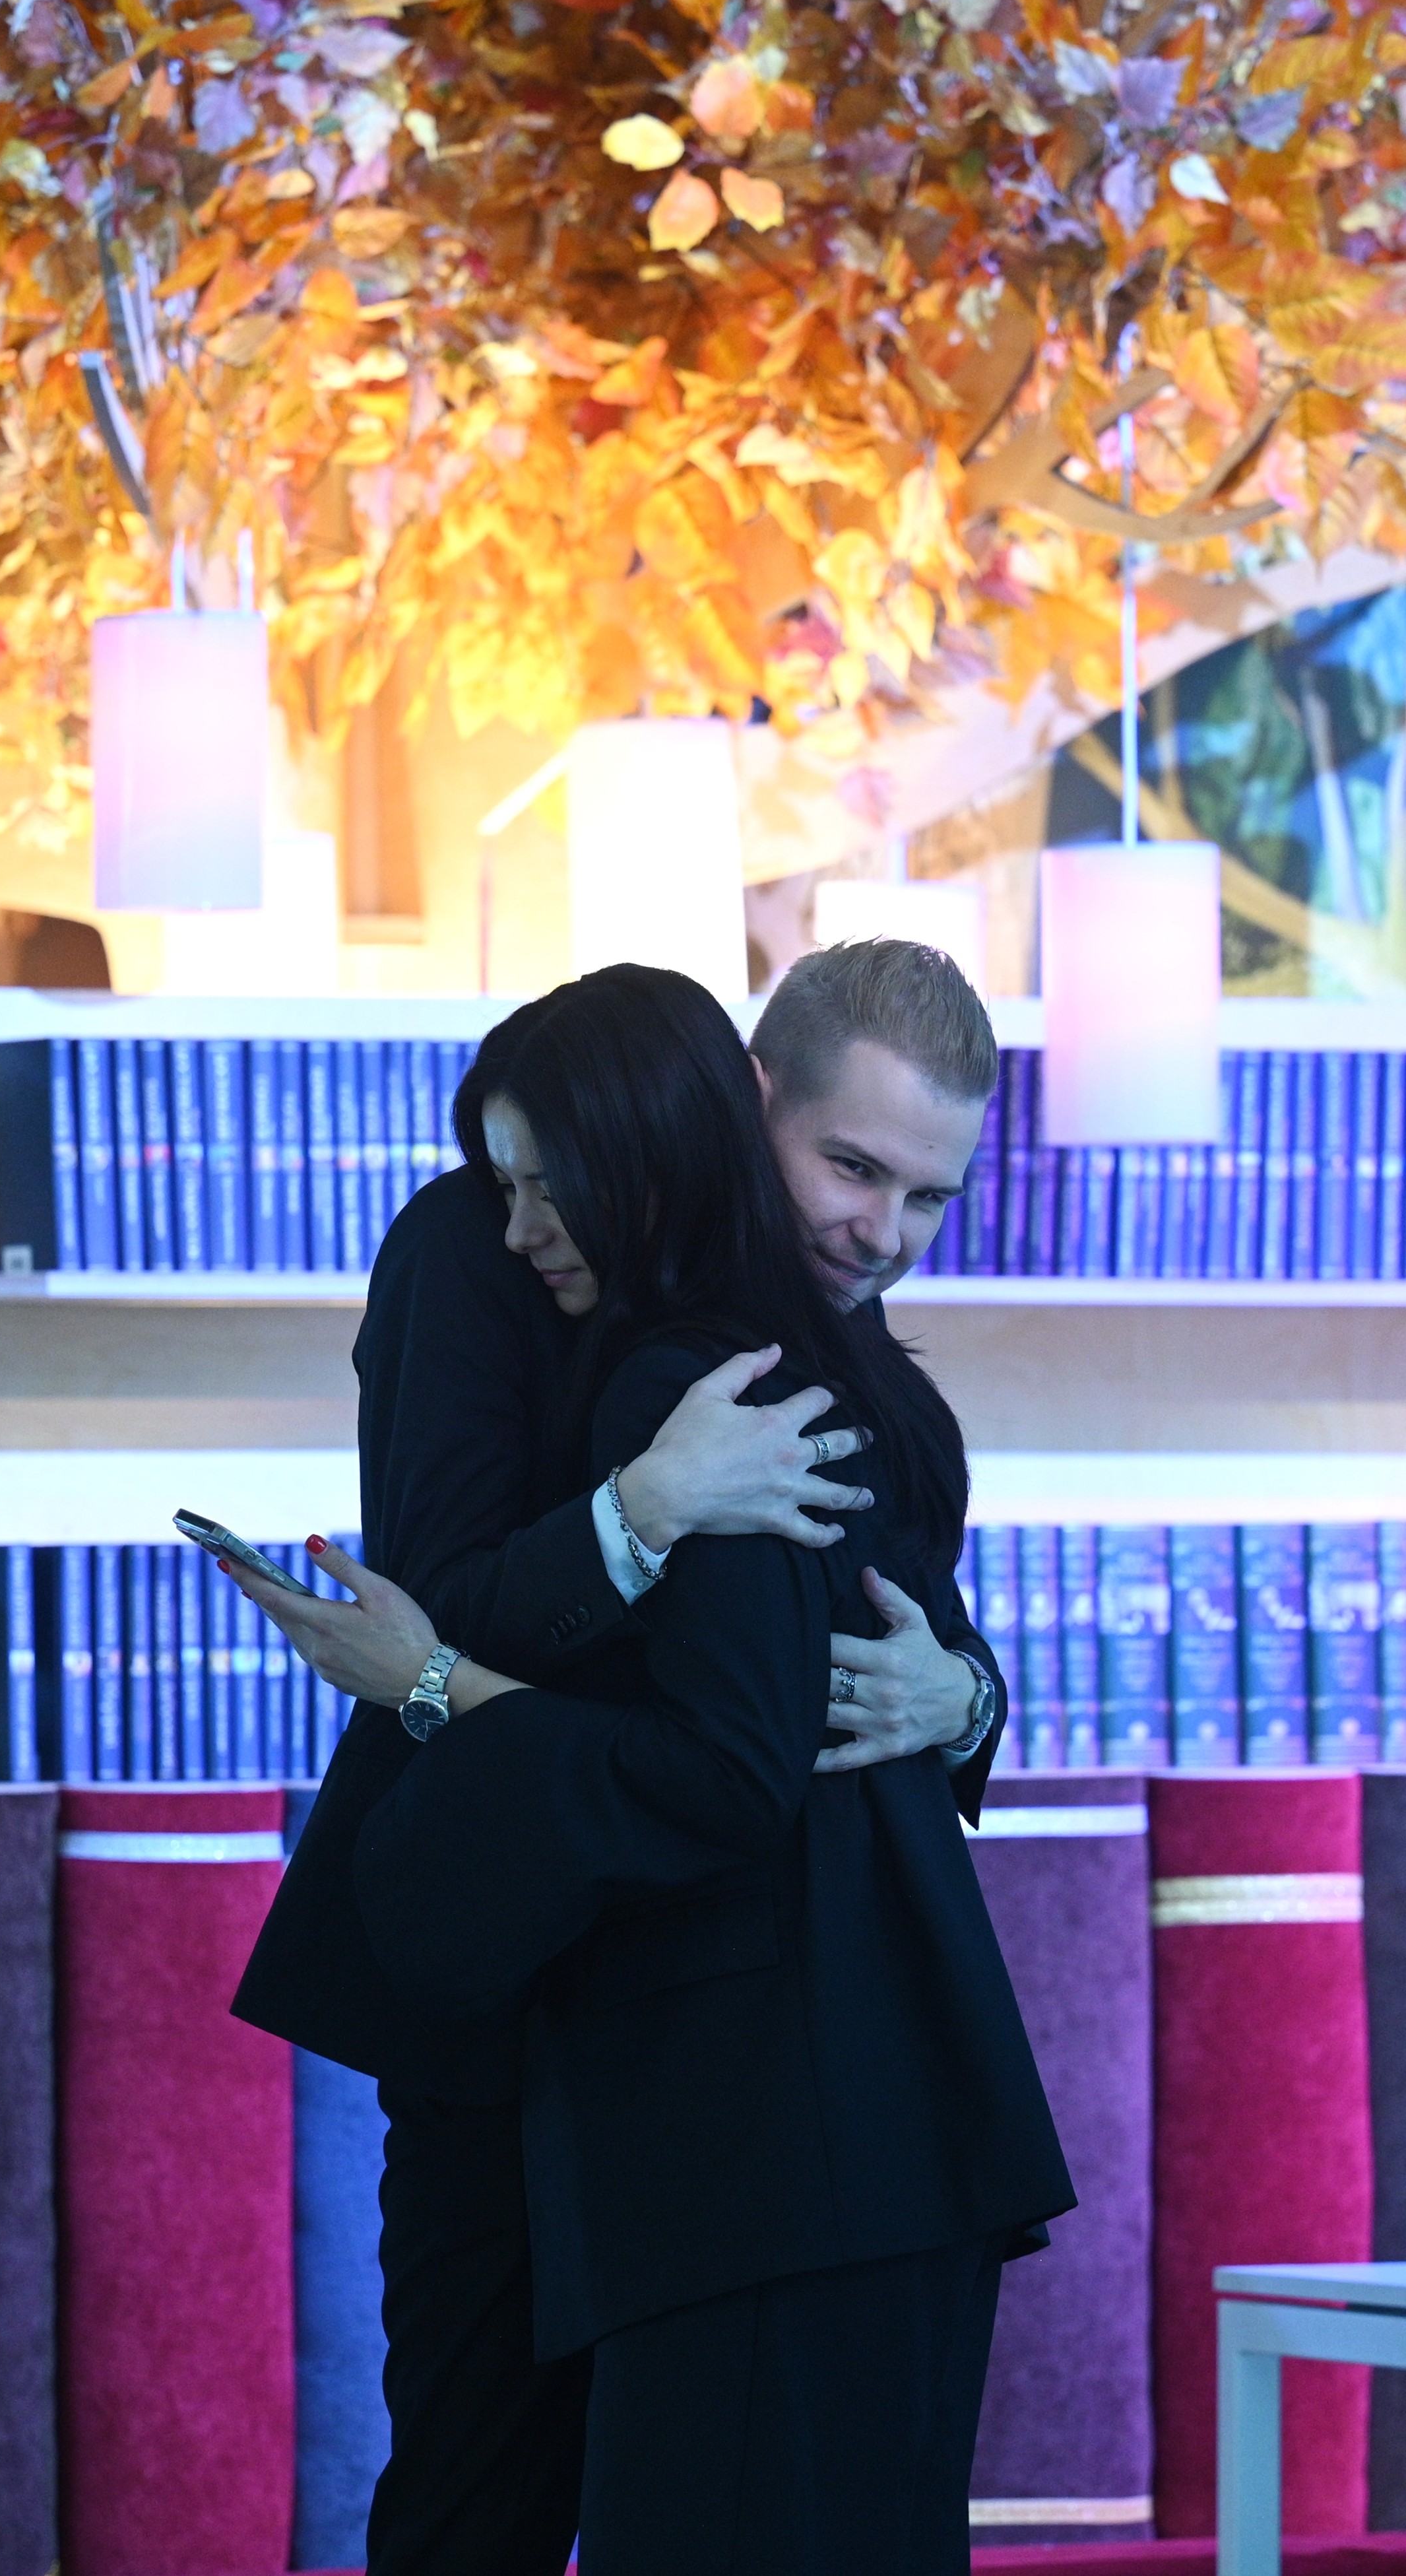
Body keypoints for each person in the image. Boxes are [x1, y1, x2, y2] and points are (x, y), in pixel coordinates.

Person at [234, 963, 1070, 2575]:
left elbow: (878, 1606)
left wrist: (966, 1693)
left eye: (924, 1196)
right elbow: (436, 1595)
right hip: (516, 1994)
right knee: (476, 2494)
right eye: (850, 1166)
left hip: (718, 2022)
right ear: (746, 1099)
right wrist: (643, 1507)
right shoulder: (474, 1249)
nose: (879, 1231)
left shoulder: (796, 1319)